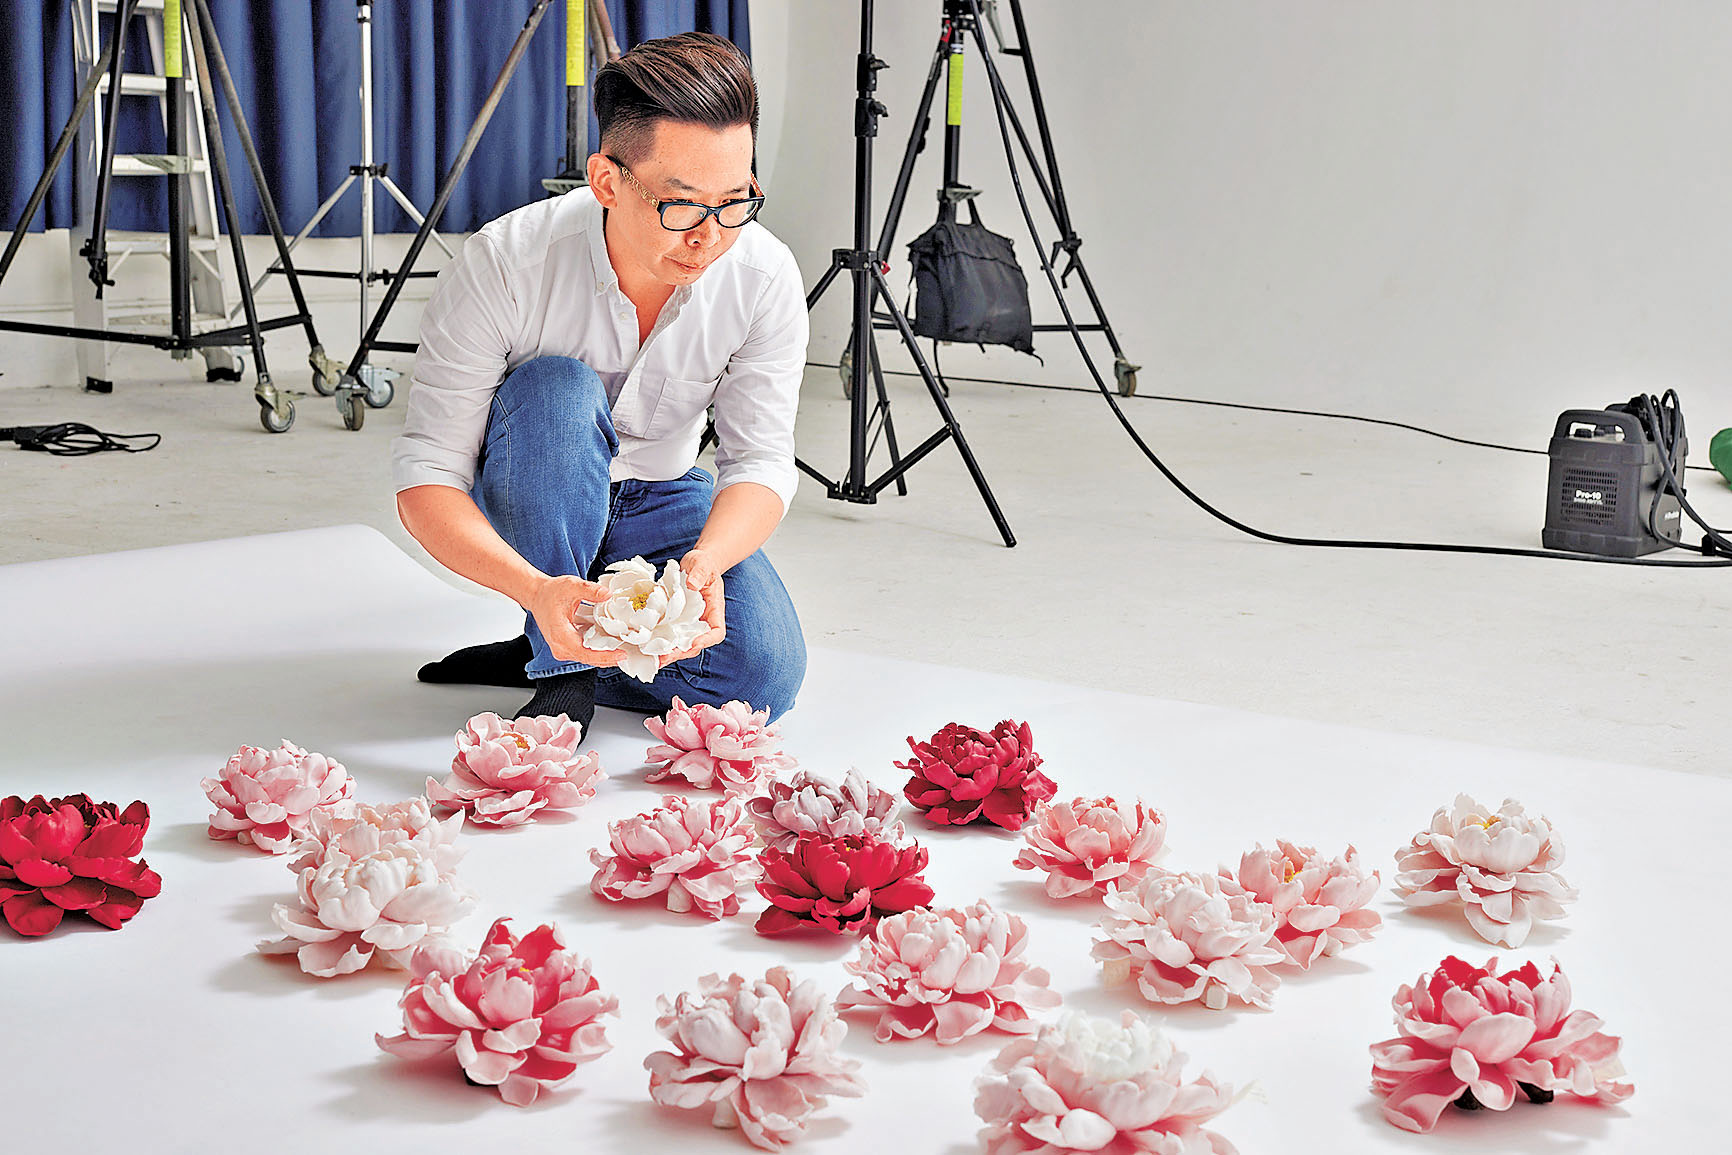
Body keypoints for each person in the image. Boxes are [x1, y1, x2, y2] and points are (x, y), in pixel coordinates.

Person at [391, 32, 808, 736]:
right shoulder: (506, 262)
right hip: (532, 485)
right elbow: (428, 475)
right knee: (556, 390)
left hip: (663, 495)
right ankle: (562, 670)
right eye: (682, 205)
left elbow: (760, 461)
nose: (710, 236)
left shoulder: (763, 276)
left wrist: (706, 564)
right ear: (607, 181)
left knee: (761, 678)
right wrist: (533, 587)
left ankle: (549, 643)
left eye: (735, 201)